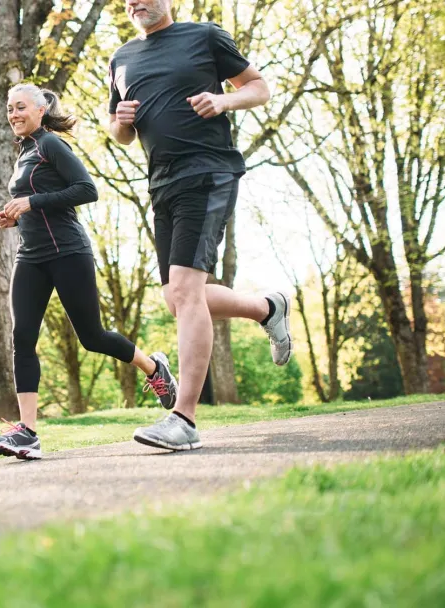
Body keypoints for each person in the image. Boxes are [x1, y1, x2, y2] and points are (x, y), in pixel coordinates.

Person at [108, 0, 292, 451]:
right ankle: (267, 308)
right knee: (177, 297)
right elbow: (118, 129)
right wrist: (120, 123)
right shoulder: (121, 58)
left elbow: (259, 87)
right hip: (160, 180)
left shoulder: (203, 37)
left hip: (208, 171)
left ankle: (184, 418)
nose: (136, 3)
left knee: (187, 291)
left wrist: (223, 99)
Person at [0, 83, 177, 461]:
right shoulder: (23, 152)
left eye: (20, 107)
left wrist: (31, 202)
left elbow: (87, 190)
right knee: (22, 337)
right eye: (9, 109)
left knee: (92, 336)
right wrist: (15, 218)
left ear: (40, 110)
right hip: (31, 255)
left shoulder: (51, 145)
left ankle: (154, 367)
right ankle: (28, 433)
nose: (13, 114)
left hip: (68, 252)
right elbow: (35, 204)